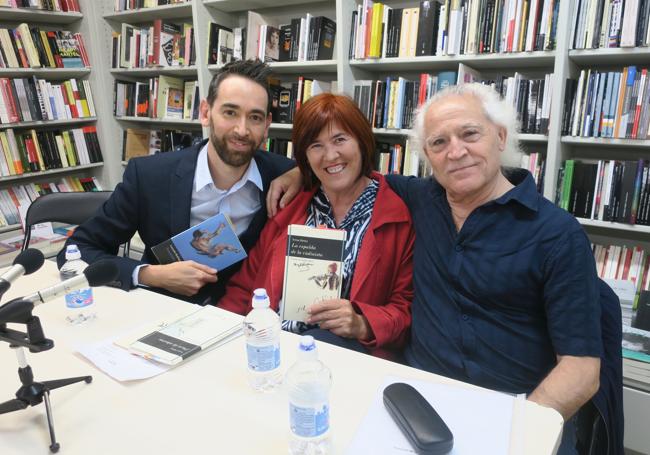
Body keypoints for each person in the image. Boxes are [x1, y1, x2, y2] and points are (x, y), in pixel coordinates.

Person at [267, 84, 603, 453]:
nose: (456, 152)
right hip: (415, 401)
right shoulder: (420, 199)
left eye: (470, 134)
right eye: (439, 143)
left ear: (501, 136)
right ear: (426, 155)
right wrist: (296, 173)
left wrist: (518, 434)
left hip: (514, 409)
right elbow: (342, 170)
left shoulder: (557, 234)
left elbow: (581, 371)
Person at [57, 60, 294, 305]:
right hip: (164, 312)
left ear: (266, 126)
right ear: (205, 113)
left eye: (254, 117)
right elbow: (77, 250)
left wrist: (298, 174)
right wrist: (152, 275)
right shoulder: (150, 176)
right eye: (230, 112)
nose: (242, 130)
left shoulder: (283, 174)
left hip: (246, 318)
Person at [219, 93, 414, 358]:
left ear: (361, 142)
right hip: (270, 348)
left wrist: (362, 323)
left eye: (340, 140)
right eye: (316, 145)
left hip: (342, 359)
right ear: (304, 157)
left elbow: (404, 311)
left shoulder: (395, 218)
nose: (331, 156)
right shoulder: (289, 209)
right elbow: (245, 287)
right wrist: (217, 336)